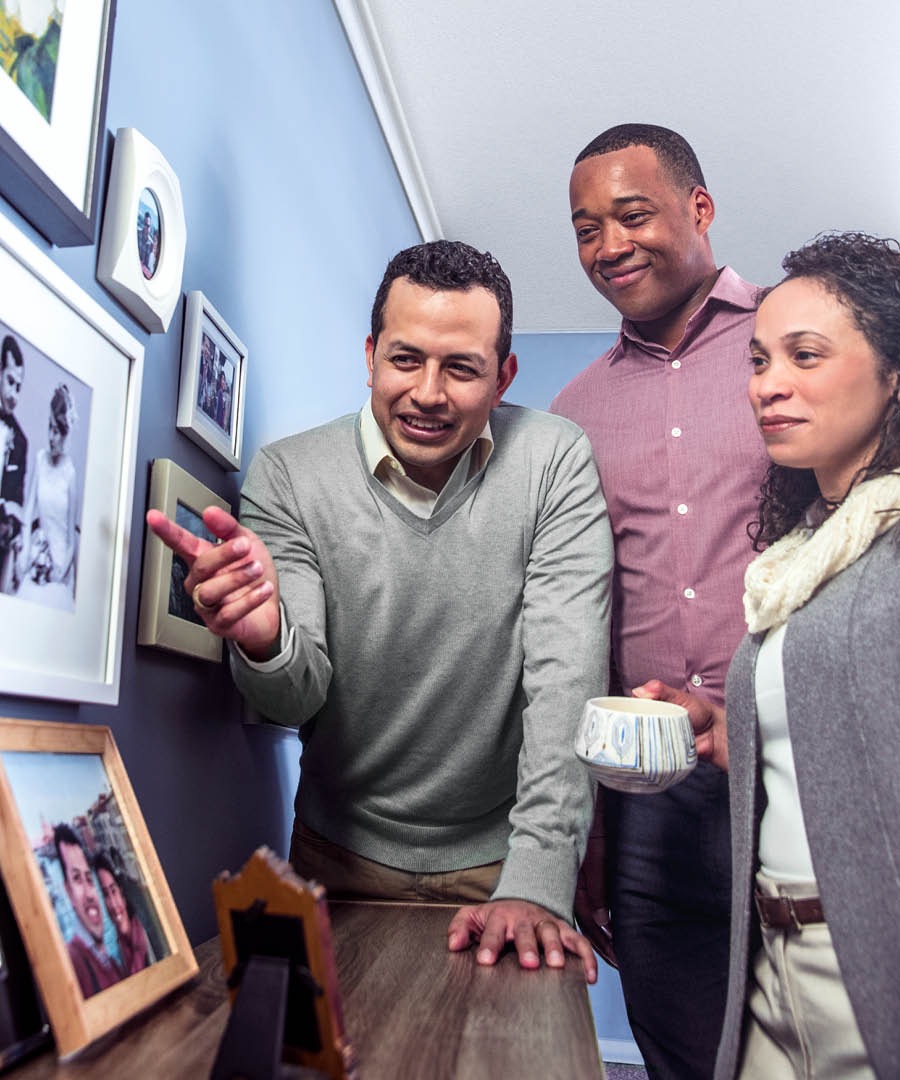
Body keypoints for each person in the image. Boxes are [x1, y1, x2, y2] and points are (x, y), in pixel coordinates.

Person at [148, 240, 613, 979]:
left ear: (503, 377)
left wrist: (539, 879)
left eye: (461, 367)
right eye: (405, 359)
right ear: (370, 355)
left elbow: (567, 680)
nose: (428, 392)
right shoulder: (290, 474)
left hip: (507, 858)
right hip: (336, 857)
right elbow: (294, 695)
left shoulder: (552, 459)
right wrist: (265, 639)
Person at [651, 231, 900, 1078]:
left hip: (867, 963)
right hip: (769, 956)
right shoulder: (800, 556)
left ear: (894, 374)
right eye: (759, 360)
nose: (769, 385)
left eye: (805, 355)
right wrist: (727, 726)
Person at [550, 124, 770, 1076]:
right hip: (647, 797)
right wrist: (592, 825)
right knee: (683, 1054)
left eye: (631, 215)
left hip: (794, 769)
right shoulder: (572, 415)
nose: (609, 246)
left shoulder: (795, 349)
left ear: (700, 207)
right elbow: (577, 620)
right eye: (586, 229)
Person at [16, 383, 78, 610]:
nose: (52, 437)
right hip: (36, 555)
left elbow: (71, 538)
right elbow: (28, 511)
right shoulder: (40, 460)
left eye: (58, 431)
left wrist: (61, 572)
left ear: (66, 432)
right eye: (50, 428)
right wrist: (23, 553)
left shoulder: (70, 474)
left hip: (60, 562)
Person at [54, 824, 123, 997]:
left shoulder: (112, 965)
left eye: (89, 879)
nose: (89, 894)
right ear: (68, 891)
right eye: (77, 878)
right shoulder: (73, 962)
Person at [94, 853, 153, 975]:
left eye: (113, 891)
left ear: (121, 892)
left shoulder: (146, 932)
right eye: (105, 895)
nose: (114, 904)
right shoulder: (119, 952)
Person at [0, 333, 27, 595]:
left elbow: (18, 500)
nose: (14, 394)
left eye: (19, 386)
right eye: (10, 382)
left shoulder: (20, 441)